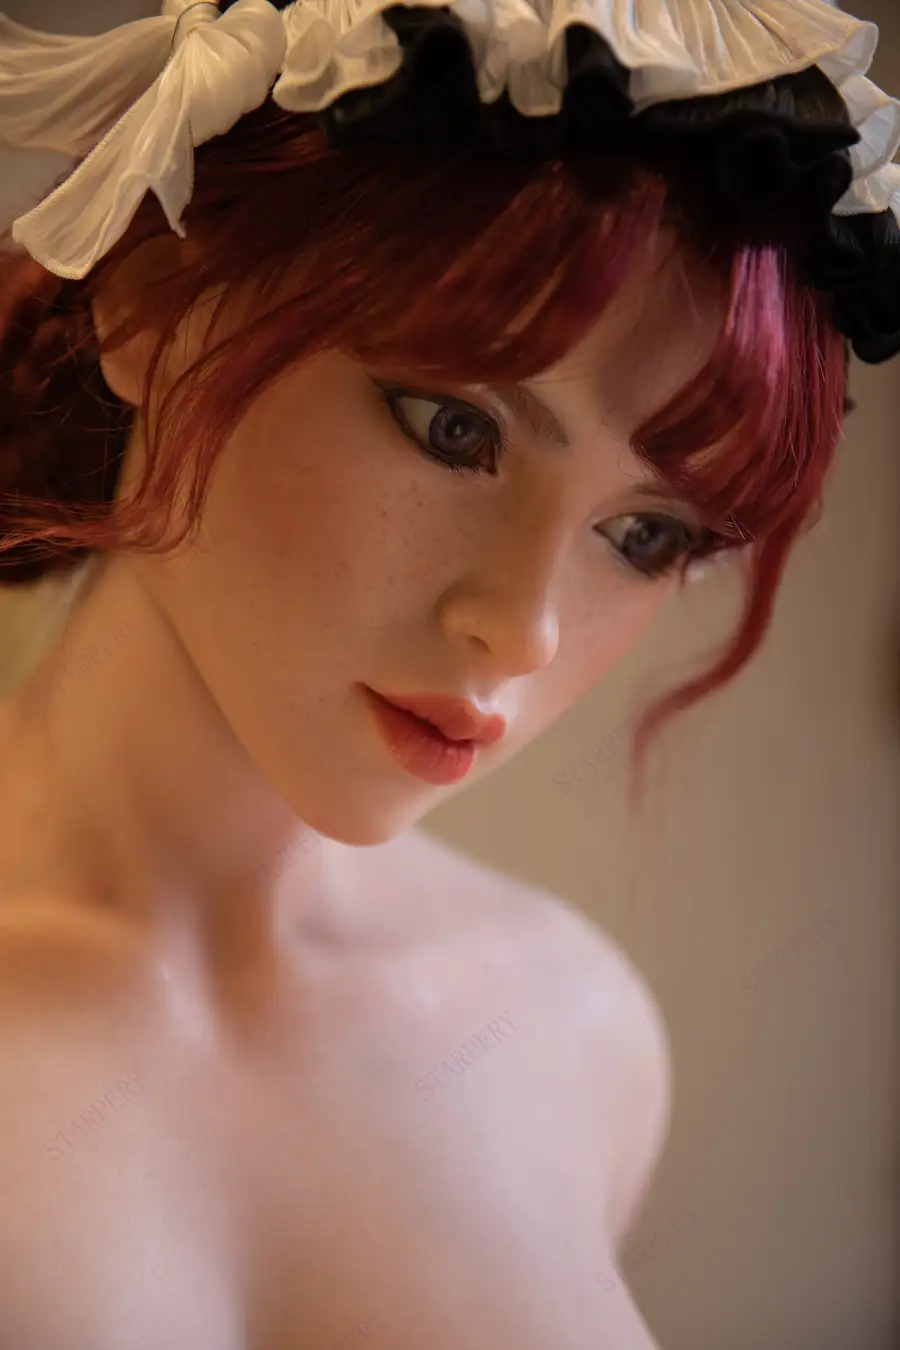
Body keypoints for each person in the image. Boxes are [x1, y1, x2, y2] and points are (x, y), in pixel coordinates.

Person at [0, 2, 897, 1347]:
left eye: (646, 536)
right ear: (147, 303)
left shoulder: (578, 1030)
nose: (524, 631)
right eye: (452, 427)